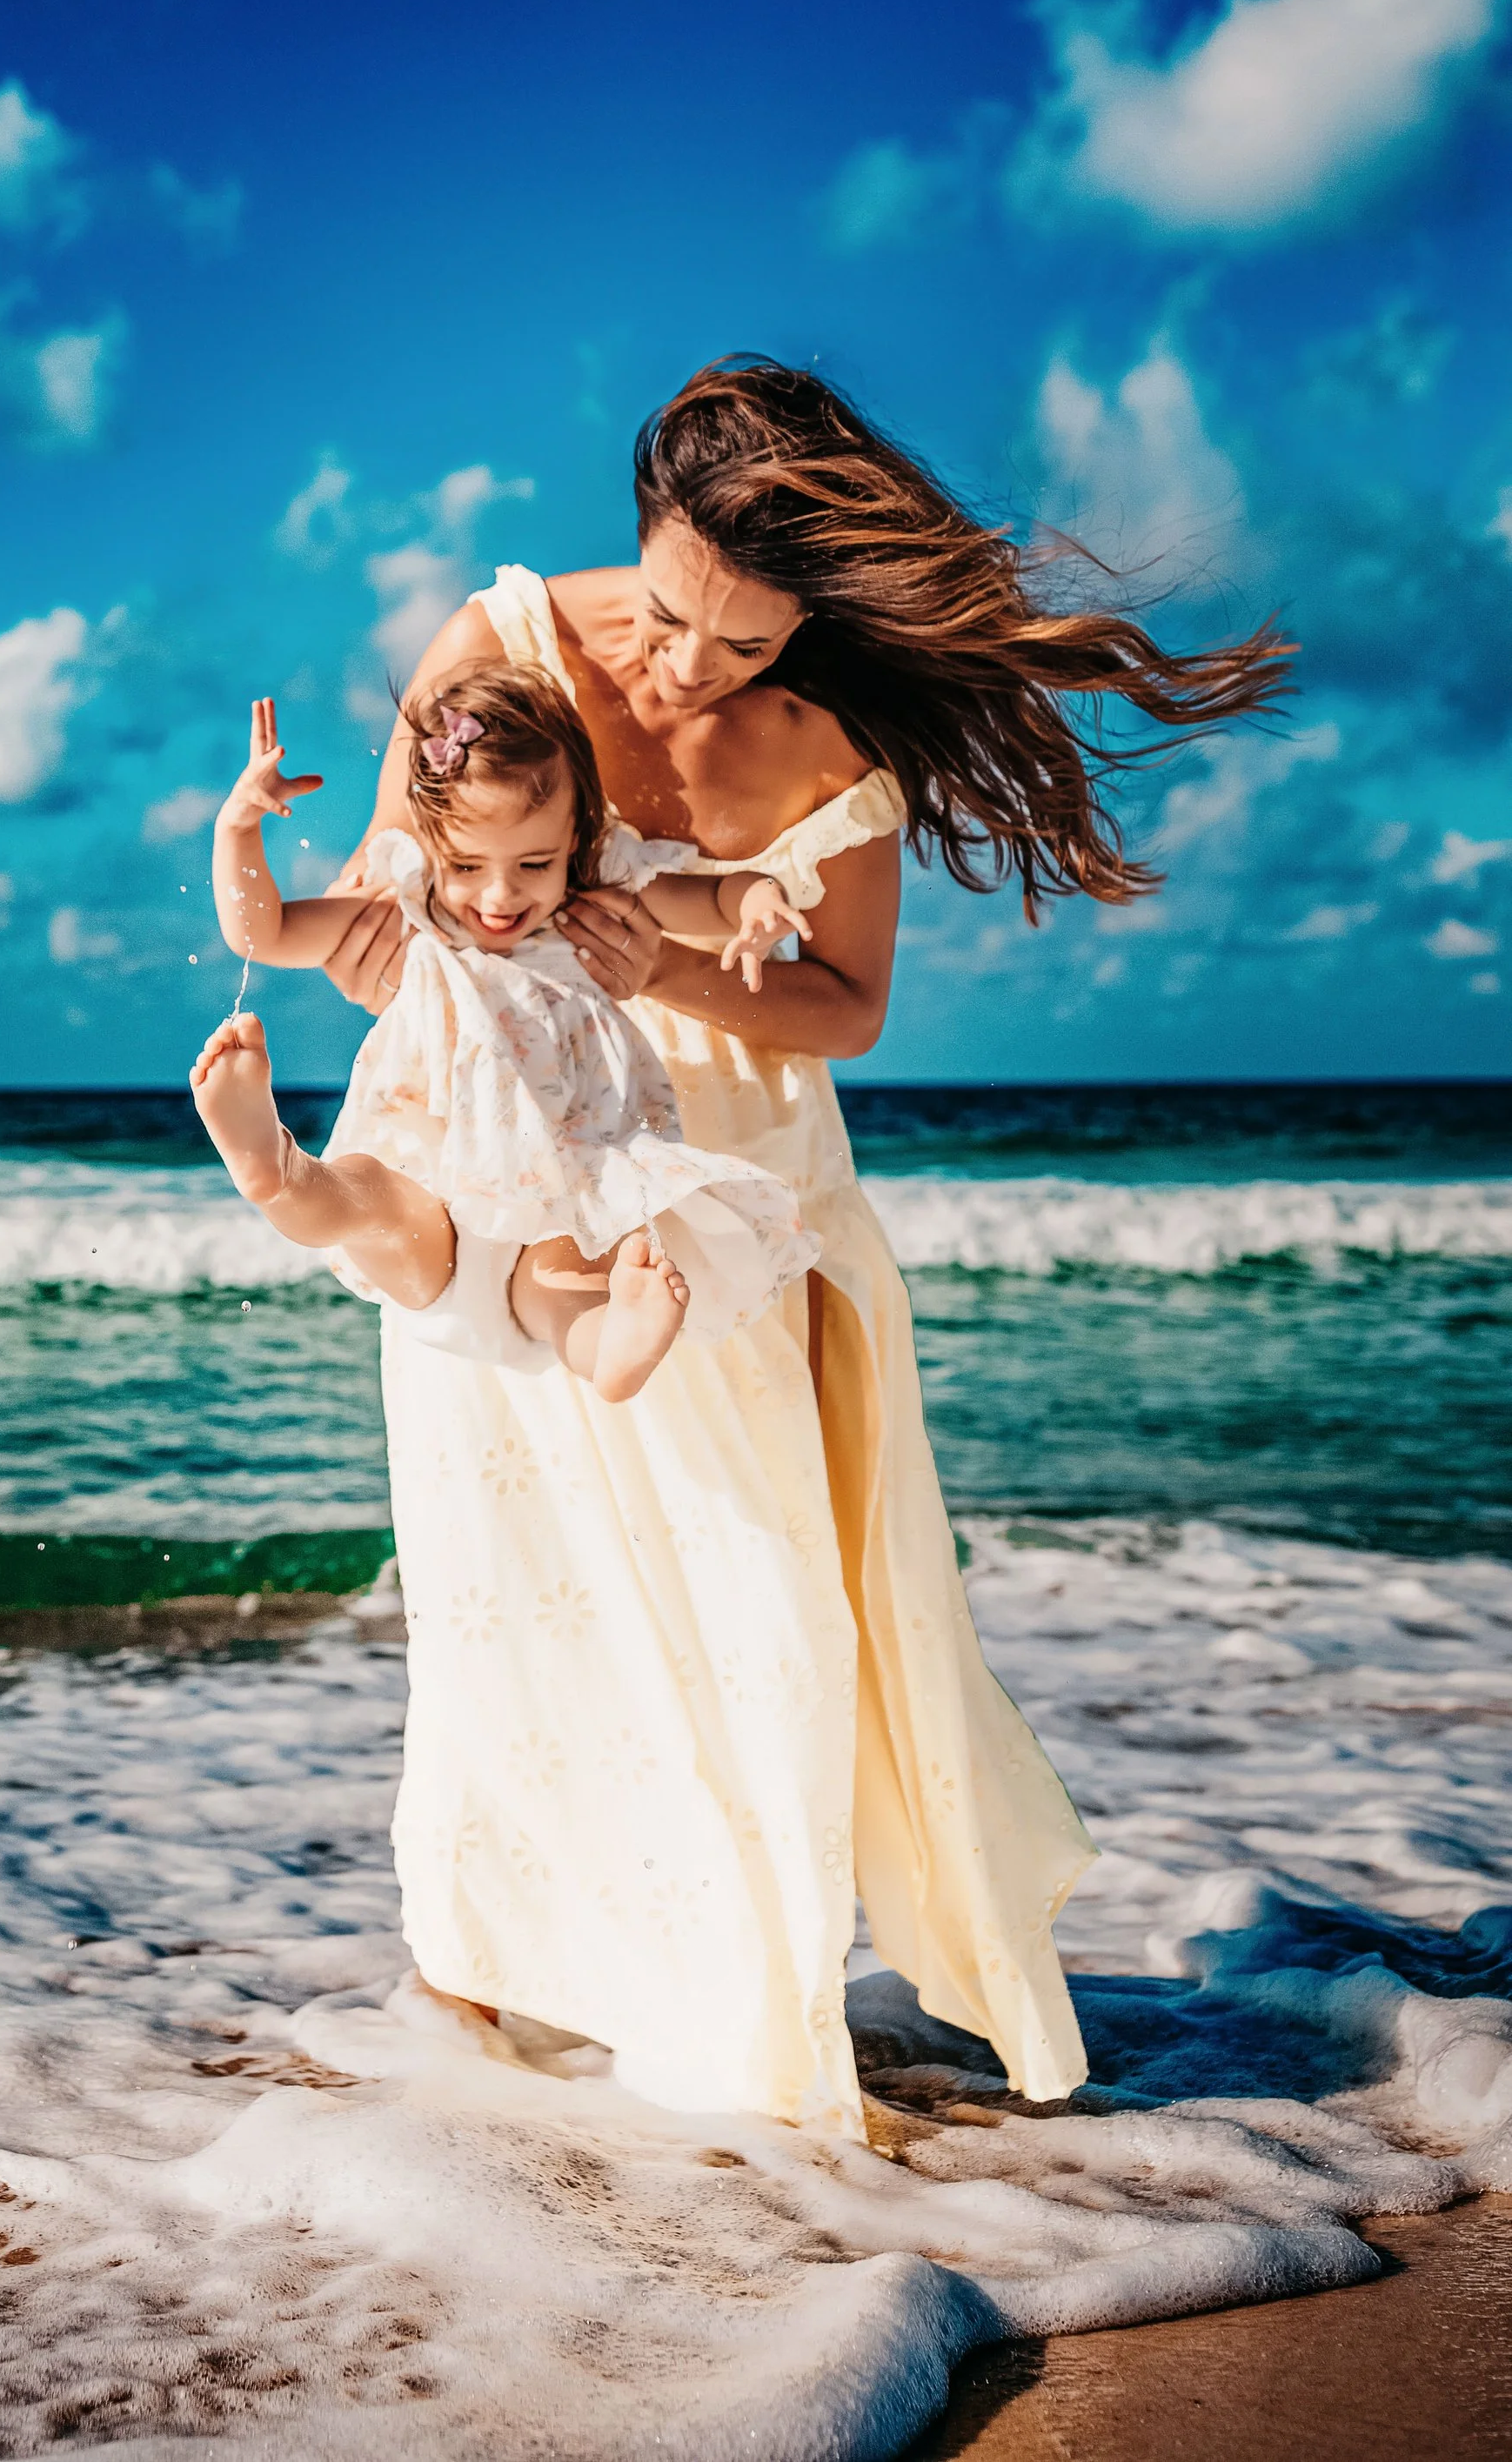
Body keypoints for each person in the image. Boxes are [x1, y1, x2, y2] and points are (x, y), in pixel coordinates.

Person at [309, 357, 1289, 2135]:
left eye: (745, 643)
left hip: (730, 1204)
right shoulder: (500, 643)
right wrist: (373, 953)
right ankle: (476, 2017)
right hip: (518, 1178)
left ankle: (756, 2031)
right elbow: (410, 877)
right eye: (675, 614)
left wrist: (663, 962)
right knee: (502, 1599)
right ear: (639, 533)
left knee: (752, 1596)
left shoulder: (826, 753)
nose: (687, 666)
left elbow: (840, 1010)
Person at [190, 665, 818, 1402]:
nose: (499, 893)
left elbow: (714, 896)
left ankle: (615, 1350)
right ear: (429, 842)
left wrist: (758, 902)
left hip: (563, 1185)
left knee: (568, 1289)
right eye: (466, 864)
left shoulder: (600, 891)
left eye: (533, 863)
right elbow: (262, 933)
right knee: (372, 1200)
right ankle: (278, 1169)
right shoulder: (413, 908)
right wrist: (238, 829)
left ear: (577, 837)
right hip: (432, 1168)